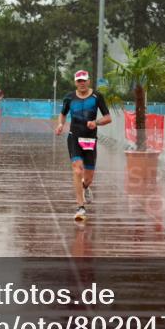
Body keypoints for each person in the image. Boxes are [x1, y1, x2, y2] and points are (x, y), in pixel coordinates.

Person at [55, 70, 111, 221]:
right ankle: (80, 207)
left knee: (88, 178)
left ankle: (85, 186)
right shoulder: (69, 97)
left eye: (84, 80)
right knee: (77, 169)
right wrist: (60, 124)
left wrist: (96, 122)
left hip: (90, 139)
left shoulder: (97, 97)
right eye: (79, 80)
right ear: (75, 82)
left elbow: (108, 117)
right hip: (74, 137)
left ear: (88, 81)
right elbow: (63, 114)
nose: (81, 83)